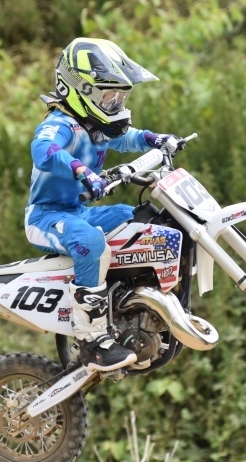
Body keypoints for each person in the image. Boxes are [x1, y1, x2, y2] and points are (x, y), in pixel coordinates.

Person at [25, 38, 177, 371]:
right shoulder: (59, 124)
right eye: (109, 97)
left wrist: (155, 139)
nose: (115, 104)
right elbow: (43, 150)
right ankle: (92, 340)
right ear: (81, 90)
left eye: (120, 98)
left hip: (78, 211)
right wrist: (81, 171)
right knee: (91, 241)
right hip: (46, 217)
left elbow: (126, 138)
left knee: (136, 219)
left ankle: (131, 307)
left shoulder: (96, 125)